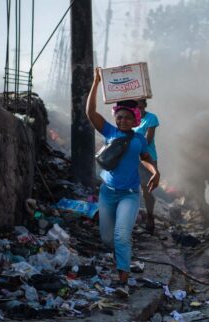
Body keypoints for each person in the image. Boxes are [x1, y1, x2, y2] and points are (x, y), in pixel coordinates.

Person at [86, 68, 160, 298]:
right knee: (107, 238)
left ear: (135, 119)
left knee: (121, 235)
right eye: (120, 117)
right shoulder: (108, 131)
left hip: (129, 194)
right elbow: (90, 112)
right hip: (107, 193)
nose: (123, 120)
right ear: (115, 117)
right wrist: (96, 83)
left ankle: (123, 282)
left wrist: (155, 172)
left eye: (128, 117)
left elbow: (146, 159)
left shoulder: (139, 140)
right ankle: (122, 258)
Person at [133, 99, 160, 234]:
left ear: (144, 105)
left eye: (140, 106)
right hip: (132, 158)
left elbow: (148, 140)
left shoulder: (151, 118)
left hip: (147, 159)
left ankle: (150, 217)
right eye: (135, 107)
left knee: (146, 190)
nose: (138, 109)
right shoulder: (129, 118)